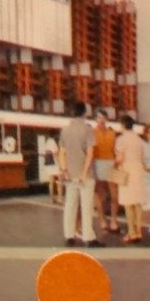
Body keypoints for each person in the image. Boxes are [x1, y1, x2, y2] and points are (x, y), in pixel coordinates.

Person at [57, 103, 98, 247]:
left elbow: (61, 152)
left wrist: (64, 170)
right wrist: (85, 173)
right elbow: (90, 154)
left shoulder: (65, 130)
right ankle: (88, 237)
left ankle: (69, 236)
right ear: (84, 113)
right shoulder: (88, 130)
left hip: (70, 174)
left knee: (70, 205)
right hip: (85, 175)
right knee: (86, 207)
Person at [114, 116, 146, 242]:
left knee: (128, 204)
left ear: (122, 125)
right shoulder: (139, 139)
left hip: (127, 170)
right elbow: (142, 159)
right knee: (138, 203)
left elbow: (120, 158)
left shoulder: (121, 139)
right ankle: (139, 232)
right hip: (138, 170)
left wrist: (115, 164)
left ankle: (131, 232)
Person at [92, 113, 119, 236]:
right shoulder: (92, 132)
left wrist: (117, 161)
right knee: (100, 195)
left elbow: (116, 150)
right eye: (99, 118)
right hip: (97, 163)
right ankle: (102, 220)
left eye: (103, 117)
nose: (101, 120)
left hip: (111, 163)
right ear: (96, 119)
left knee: (114, 195)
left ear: (107, 119)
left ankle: (114, 220)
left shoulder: (112, 132)